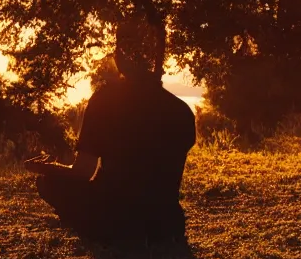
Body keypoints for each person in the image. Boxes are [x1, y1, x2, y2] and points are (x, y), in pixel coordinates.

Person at [26, 18, 196, 244]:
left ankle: (81, 222)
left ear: (122, 57)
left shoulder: (106, 100)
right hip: (165, 225)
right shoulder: (182, 110)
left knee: (48, 183)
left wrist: (48, 167)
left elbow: (84, 172)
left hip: (113, 221)